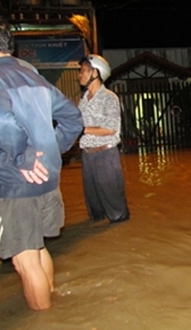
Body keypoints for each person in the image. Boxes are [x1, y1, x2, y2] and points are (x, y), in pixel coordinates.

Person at [0, 14, 83, 310]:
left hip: (16, 185)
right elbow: (73, 119)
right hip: (48, 180)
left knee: (24, 262)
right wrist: (50, 151)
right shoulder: (32, 76)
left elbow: (2, 120)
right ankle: (52, 306)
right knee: (37, 249)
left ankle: (43, 319)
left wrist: (24, 158)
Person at [77, 54, 130, 224]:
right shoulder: (83, 100)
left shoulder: (110, 98)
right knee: (94, 210)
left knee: (116, 211)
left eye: (84, 71)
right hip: (87, 155)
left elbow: (110, 128)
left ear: (95, 73)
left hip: (105, 155)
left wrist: (82, 129)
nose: (80, 74)